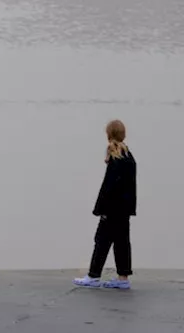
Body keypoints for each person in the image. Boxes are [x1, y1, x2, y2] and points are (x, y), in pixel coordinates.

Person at [74, 119, 137, 290]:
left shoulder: (115, 157)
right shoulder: (129, 156)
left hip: (112, 209)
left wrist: (100, 209)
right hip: (124, 210)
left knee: (101, 241)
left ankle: (93, 276)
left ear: (109, 135)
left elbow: (108, 187)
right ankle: (123, 278)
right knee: (122, 243)